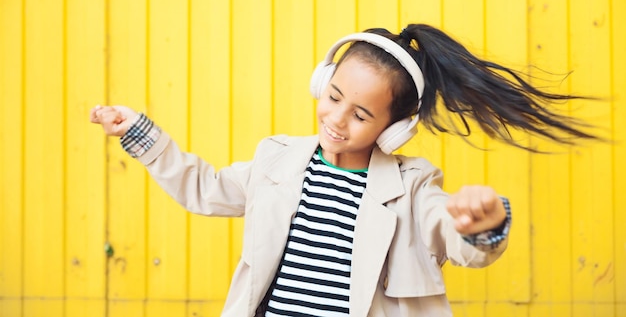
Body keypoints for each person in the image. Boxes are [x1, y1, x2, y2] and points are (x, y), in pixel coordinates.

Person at [91, 24, 597, 317]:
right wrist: (140, 133)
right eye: (332, 98)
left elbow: (449, 231)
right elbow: (206, 189)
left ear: (395, 129)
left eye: (360, 115)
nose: (336, 119)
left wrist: (480, 225)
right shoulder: (277, 160)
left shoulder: (413, 184)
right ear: (321, 85)